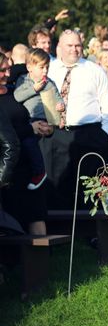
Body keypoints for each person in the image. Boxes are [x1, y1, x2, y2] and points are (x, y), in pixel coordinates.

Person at [41, 30, 108, 208]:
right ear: (59, 47)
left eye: (77, 45)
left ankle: (91, 231)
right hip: (56, 134)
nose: (74, 49)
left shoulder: (94, 71)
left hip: (89, 134)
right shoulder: (48, 70)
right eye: (69, 45)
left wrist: (104, 134)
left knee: (90, 185)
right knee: (58, 182)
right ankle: (62, 229)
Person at [0, 53, 47, 234]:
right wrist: (30, 129)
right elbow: (6, 136)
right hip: (8, 169)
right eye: (2, 70)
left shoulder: (16, 92)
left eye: (8, 69)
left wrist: (45, 129)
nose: (7, 73)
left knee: (36, 213)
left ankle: (41, 259)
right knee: (13, 218)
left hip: (30, 165)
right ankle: (15, 260)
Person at [13, 48, 65, 189]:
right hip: (29, 120)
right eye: (41, 67)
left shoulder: (49, 82)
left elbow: (58, 99)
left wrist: (60, 107)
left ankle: (49, 176)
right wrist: (34, 89)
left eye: (47, 67)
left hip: (48, 119)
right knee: (28, 143)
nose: (45, 71)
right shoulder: (23, 80)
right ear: (29, 67)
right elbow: (17, 96)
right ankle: (39, 172)